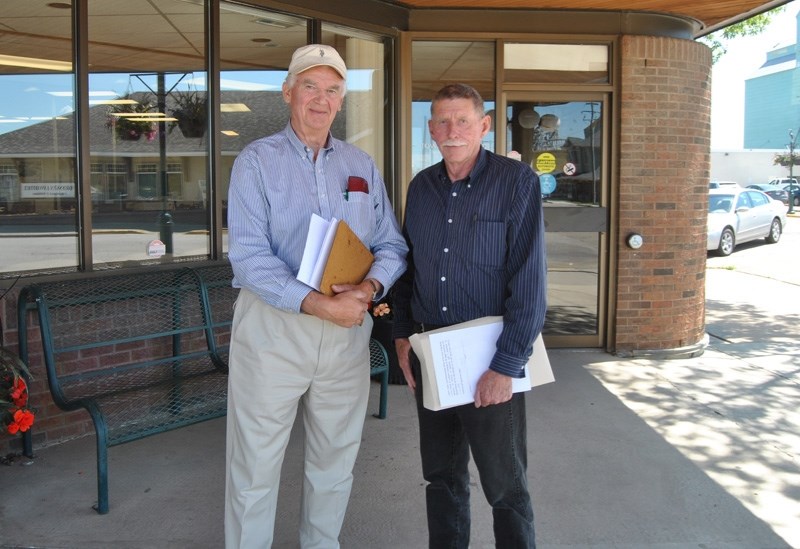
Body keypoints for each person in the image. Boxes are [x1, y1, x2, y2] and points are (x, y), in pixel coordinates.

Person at [224, 44, 407, 548]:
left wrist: (370, 287)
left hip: (346, 332)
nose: (320, 99)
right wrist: (315, 302)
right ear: (288, 93)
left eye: (331, 89)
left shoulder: (360, 164)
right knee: (254, 466)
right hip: (274, 330)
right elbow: (248, 256)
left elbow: (391, 244)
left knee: (335, 461)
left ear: (341, 100)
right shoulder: (256, 161)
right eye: (310, 86)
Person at [392, 83, 546, 548]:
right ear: (431, 128)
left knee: (505, 484)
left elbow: (530, 284)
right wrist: (402, 337)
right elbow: (407, 267)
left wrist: (506, 366)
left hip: (489, 356)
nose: (451, 130)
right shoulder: (421, 187)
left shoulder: (516, 182)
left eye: (462, 120)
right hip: (432, 351)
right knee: (441, 475)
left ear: (483, 126)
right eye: (441, 120)